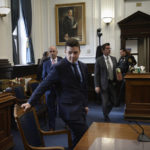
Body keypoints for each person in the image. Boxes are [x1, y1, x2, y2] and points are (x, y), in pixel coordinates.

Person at [21, 38, 89, 148]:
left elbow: (84, 87)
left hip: (80, 108)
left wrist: (85, 104)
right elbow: (43, 85)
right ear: (65, 52)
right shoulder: (58, 67)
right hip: (68, 110)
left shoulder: (83, 66)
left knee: (77, 137)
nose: (72, 56)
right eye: (69, 53)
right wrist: (30, 102)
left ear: (79, 52)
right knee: (85, 133)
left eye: (75, 52)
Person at [94, 43, 117, 122]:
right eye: (107, 48)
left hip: (113, 83)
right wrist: (97, 85)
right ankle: (106, 116)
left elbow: (116, 70)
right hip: (103, 84)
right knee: (105, 101)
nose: (109, 50)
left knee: (114, 101)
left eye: (109, 48)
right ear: (103, 50)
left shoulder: (114, 59)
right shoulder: (99, 60)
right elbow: (96, 74)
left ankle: (106, 112)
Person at [42, 46, 62, 130]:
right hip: (49, 90)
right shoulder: (45, 63)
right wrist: (46, 79)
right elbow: (43, 76)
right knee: (50, 109)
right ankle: (51, 127)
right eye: (50, 51)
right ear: (49, 53)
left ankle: (68, 124)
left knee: (63, 107)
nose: (52, 53)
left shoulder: (62, 61)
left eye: (54, 51)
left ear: (57, 52)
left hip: (61, 89)